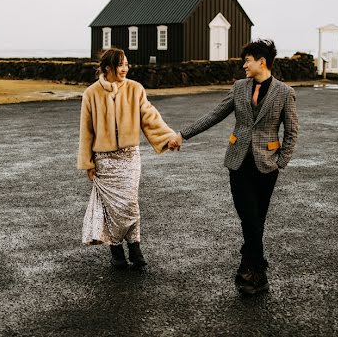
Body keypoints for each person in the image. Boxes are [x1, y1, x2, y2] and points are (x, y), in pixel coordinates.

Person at [168, 39, 298, 295]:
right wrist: (183, 134)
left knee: (256, 221)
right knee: (249, 219)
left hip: (266, 166)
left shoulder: (284, 92)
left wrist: (280, 162)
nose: (243, 65)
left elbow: (292, 132)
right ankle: (255, 269)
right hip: (238, 163)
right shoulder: (239, 87)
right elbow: (215, 114)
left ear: (262, 61)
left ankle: (252, 271)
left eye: (247, 60)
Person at [78, 47, 177, 270]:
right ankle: (116, 248)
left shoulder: (135, 89)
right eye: (121, 65)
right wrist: (88, 162)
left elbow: (150, 117)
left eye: (127, 65)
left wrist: (169, 137)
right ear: (108, 68)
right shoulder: (91, 94)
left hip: (129, 156)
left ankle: (134, 245)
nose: (125, 69)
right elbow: (86, 131)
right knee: (113, 207)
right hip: (104, 159)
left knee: (130, 203)